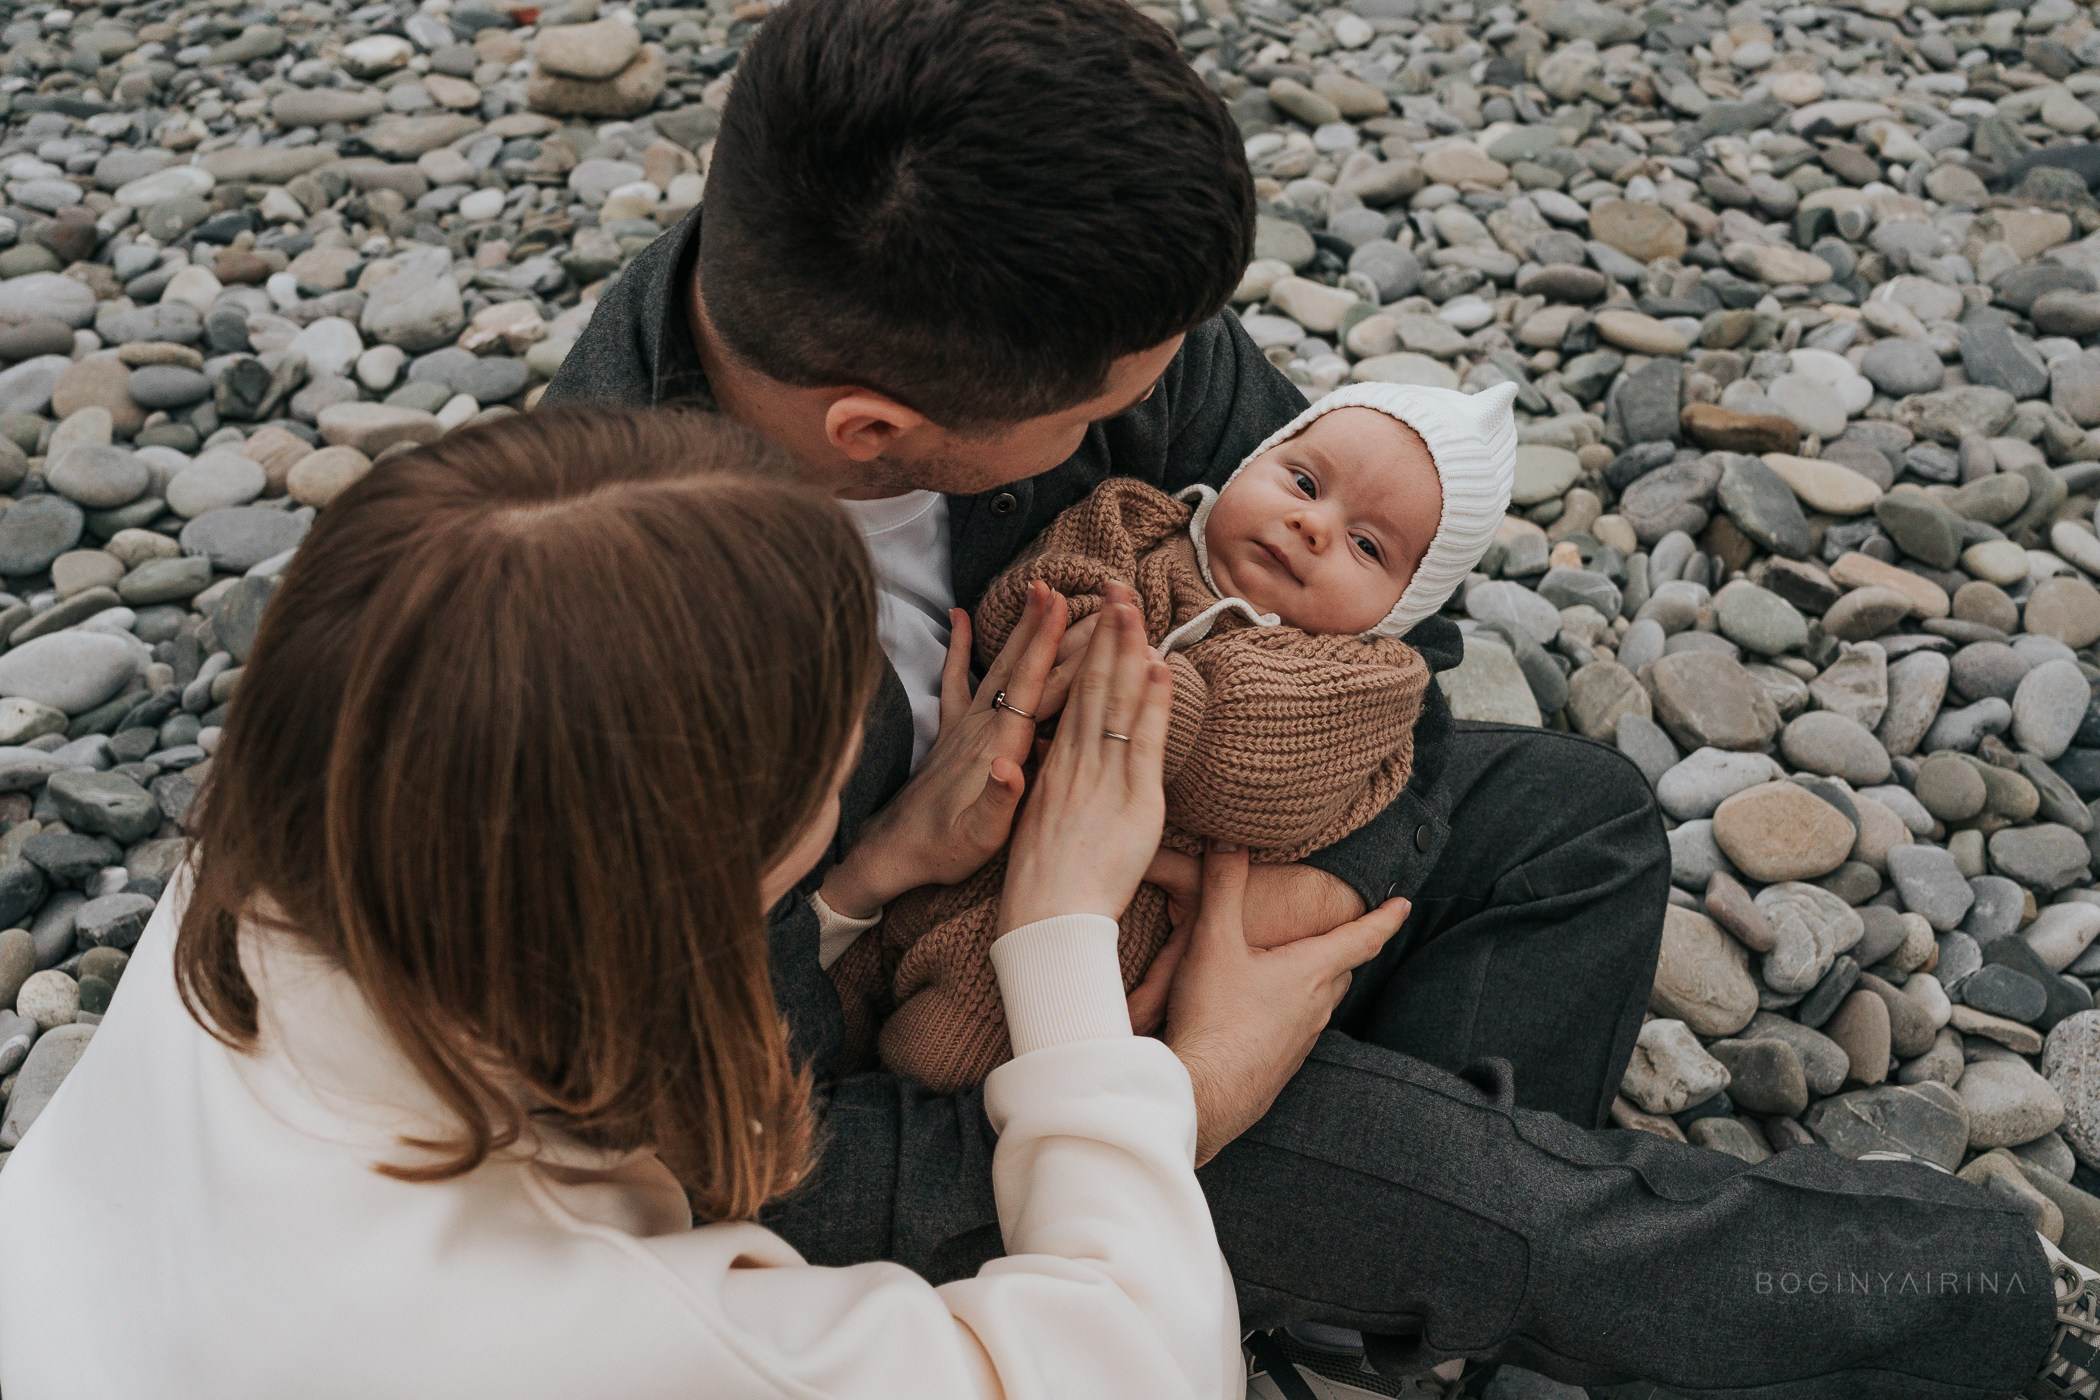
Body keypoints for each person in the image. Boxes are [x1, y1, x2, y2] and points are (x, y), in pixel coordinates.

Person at [544, 0, 2078, 1392]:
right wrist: (1175, 1091)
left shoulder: (1041, 279)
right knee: (1498, 1201)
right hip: (924, 1066)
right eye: (1108, 408)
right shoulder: (615, 650)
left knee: (1577, 818)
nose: (1170, 397)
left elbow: (1391, 641)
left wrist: (1286, 908)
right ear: (875, 430)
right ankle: (1993, 1309)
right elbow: (763, 1150)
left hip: (1187, 864)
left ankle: (1362, 1317)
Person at [0, 406, 1398, 1399]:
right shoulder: (621, 1336)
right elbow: (1140, 1370)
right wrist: (1079, 963)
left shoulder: (298, 834)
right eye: (835, 767)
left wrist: (866, 874)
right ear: (689, 876)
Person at [829, 382, 1518, 1093]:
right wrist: (1060, 622)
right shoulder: (1134, 522)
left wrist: (1145, 687)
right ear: (1253, 459)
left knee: (942, 1059)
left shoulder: (1360, 677)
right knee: (828, 998)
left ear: (1400, 609)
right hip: (944, 846)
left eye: (1366, 545)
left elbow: (1258, 767)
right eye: (1304, 483)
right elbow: (1033, 592)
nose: (1313, 524)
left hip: (1103, 930)